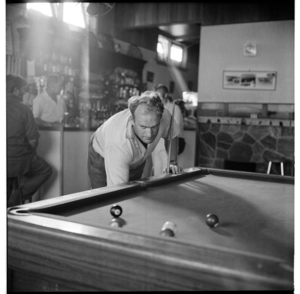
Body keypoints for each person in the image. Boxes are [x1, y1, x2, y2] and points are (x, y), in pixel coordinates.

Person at [87, 91, 182, 188]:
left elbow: (172, 134)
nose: (149, 134)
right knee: (104, 198)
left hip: (135, 158)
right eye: (143, 127)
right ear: (132, 120)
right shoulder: (119, 144)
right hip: (101, 154)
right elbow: (116, 192)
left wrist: (172, 162)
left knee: (134, 191)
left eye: (154, 127)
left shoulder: (163, 115)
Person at [6, 74, 52, 207]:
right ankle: (17, 197)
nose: (25, 93)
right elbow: (33, 140)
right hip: (18, 158)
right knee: (45, 170)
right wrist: (30, 153)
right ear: (15, 90)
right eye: (23, 90)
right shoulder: (23, 109)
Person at [147, 84, 185, 176]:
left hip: (168, 146)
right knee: (156, 172)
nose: (159, 97)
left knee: (167, 173)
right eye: (157, 95)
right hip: (155, 144)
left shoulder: (175, 108)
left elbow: (176, 129)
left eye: (160, 95)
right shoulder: (155, 107)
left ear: (166, 95)